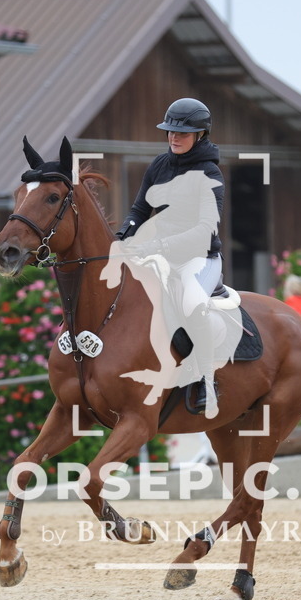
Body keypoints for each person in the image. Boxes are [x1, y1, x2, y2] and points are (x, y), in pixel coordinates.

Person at [111, 97, 237, 417]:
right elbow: (140, 209)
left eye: (182, 134)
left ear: (201, 136)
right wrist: (124, 235)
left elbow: (205, 231)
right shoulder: (159, 165)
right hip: (161, 256)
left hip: (199, 260)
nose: (173, 138)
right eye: (170, 132)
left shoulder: (210, 174)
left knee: (192, 301)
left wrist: (160, 245)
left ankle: (206, 380)